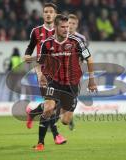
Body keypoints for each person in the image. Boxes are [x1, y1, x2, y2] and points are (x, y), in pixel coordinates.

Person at [35, 14, 97, 150]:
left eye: (67, 27)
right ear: (56, 27)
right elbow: (39, 63)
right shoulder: (47, 43)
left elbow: (90, 59)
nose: (66, 29)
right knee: (49, 108)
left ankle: (38, 110)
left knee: (65, 120)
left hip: (72, 84)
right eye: (62, 27)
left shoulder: (77, 42)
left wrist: (92, 80)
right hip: (54, 82)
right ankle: (40, 143)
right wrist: (40, 75)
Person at [24, 3, 66, 151]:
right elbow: (30, 46)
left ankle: (34, 112)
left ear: (55, 15)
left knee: (54, 106)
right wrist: (28, 55)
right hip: (42, 71)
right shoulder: (36, 31)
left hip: (59, 73)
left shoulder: (60, 31)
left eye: (51, 12)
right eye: (46, 12)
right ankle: (54, 136)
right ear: (43, 14)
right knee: (50, 106)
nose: (48, 14)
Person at [67, 14, 88, 130]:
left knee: (72, 97)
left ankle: (69, 118)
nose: (70, 26)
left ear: (77, 25)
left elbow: (84, 56)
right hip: (60, 73)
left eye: (73, 24)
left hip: (75, 73)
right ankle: (52, 121)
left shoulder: (81, 39)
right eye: (69, 23)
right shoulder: (59, 36)